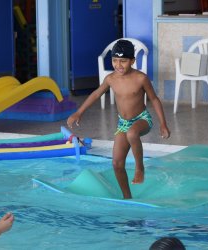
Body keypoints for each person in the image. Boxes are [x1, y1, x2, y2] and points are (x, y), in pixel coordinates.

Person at [67, 39, 170, 199]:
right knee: (116, 163)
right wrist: (79, 112)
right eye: (115, 61)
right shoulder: (110, 79)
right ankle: (127, 197)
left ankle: (139, 168)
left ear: (132, 61)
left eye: (123, 61)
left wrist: (163, 124)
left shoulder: (141, 78)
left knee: (132, 133)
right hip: (123, 123)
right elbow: (95, 94)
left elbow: (154, 99)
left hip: (142, 119)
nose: (118, 65)